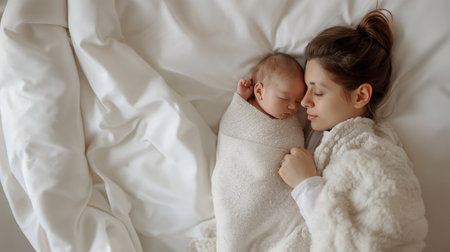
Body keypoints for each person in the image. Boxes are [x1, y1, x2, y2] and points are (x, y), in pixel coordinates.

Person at [278, 9, 428, 251]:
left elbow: (375, 240)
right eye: (306, 88)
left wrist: (306, 185)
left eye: (317, 91)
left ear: (361, 95)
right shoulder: (318, 138)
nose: (304, 101)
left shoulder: (376, 155)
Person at [190, 53, 316, 251]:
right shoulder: (244, 112)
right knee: (236, 232)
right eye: (284, 98)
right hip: (243, 190)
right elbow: (231, 130)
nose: (292, 107)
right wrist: (239, 99)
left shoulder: (289, 122)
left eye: (298, 101)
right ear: (259, 91)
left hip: (275, 198)